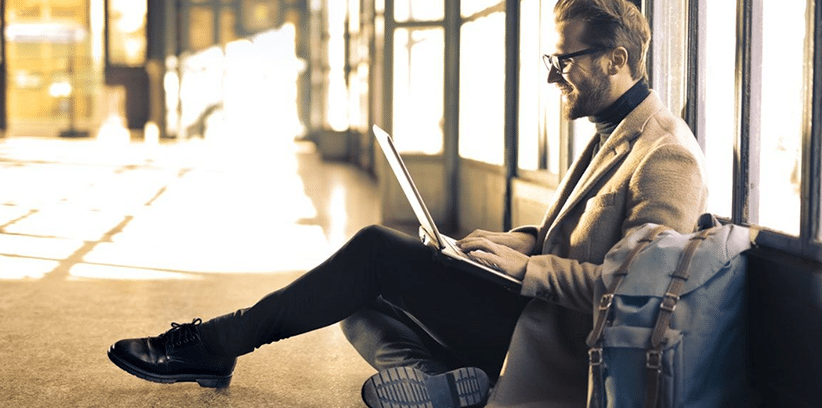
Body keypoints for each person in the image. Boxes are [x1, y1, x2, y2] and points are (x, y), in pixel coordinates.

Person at [107, 0, 708, 406]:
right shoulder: (614, 127)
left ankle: (215, 344)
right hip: (526, 310)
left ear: (617, 59)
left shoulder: (665, 156)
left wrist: (525, 270)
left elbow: (636, 291)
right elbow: (572, 235)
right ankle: (443, 385)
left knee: (372, 254)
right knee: (349, 301)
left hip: (557, 344)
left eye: (563, 61)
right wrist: (509, 243)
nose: (554, 78)